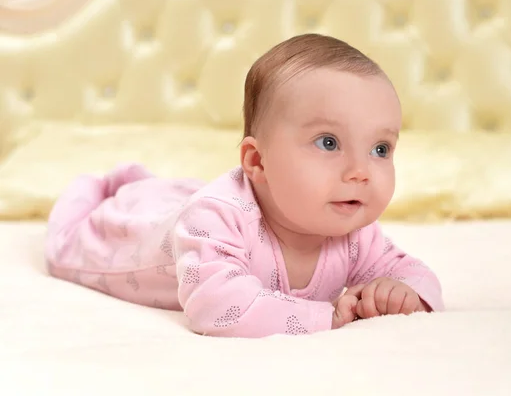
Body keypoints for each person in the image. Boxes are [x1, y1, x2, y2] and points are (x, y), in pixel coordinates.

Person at [44, 33, 444, 338]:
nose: (361, 171)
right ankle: (104, 185)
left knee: (179, 196)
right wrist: (329, 316)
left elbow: (415, 273)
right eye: (329, 143)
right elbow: (217, 306)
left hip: (198, 202)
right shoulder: (215, 218)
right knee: (76, 238)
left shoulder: (353, 231)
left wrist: (404, 293)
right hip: (134, 240)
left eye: (380, 148)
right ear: (257, 161)